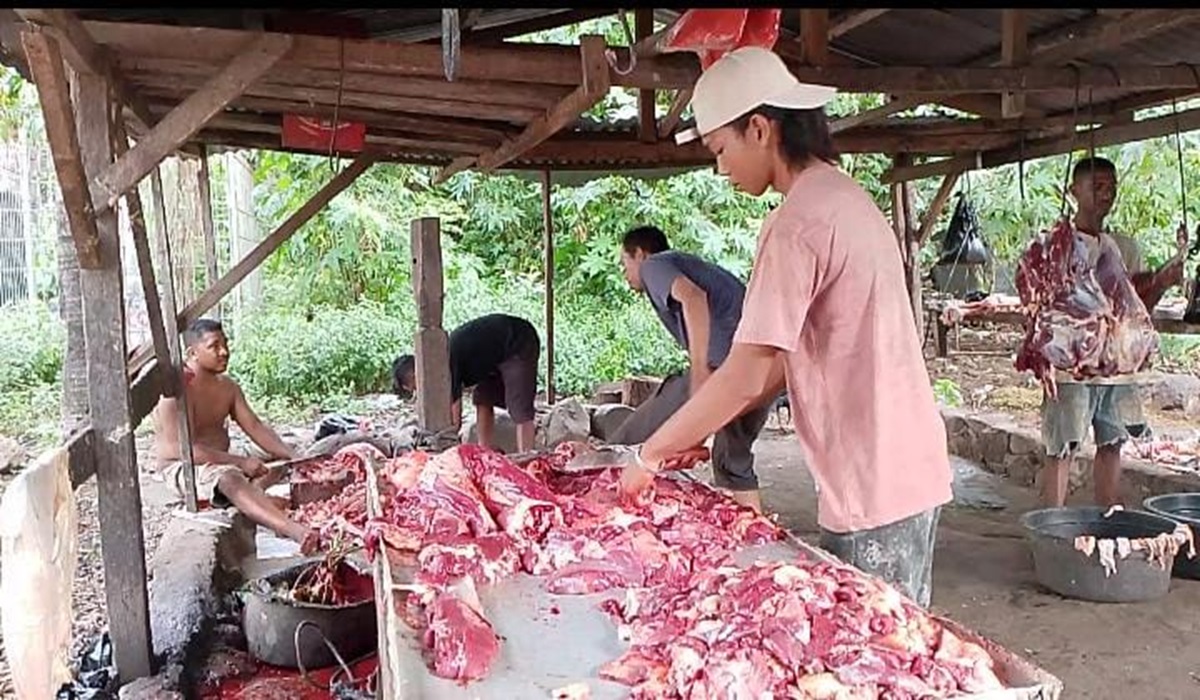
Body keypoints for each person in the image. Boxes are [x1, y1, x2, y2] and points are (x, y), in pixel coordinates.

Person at [614, 46, 953, 607]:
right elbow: (777, 363)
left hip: (874, 480)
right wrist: (696, 433)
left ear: (759, 129)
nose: (721, 168)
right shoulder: (845, 197)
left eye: (721, 149)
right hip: (904, 467)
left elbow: (748, 370)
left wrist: (648, 455)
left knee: (876, 661)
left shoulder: (796, 222)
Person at [1038, 156, 1189, 509]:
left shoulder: (1124, 247)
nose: (1107, 194)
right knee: (1062, 447)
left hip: (1116, 367)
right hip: (1071, 369)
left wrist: (1162, 280)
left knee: (1112, 443)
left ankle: (1108, 519)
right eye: (1098, 187)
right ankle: (1050, 529)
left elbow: (1137, 306)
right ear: (1074, 190)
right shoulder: (1055, 245)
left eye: (1112, 187)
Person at [612, 225, 771, 512]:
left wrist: (699, 372)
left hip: (720, 369)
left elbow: (693, 298)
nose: (626, 275)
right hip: (755, 369)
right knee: (733, 465)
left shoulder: (654, 266)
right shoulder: (693, 265)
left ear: (640, 253)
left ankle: (597, 526)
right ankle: (757, 537)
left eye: (625, 263)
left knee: (624, 446)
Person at [153, 319, 318, 554]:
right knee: (230, 479)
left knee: (281, 453)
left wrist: (294, 456)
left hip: (224, 457)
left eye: (226, 344)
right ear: (193, 353)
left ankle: (254, 496)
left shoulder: (228, 387)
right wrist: (240, 463)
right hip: (183, 466)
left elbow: (255, 426)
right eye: (214, 346)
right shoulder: (176, 393)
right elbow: (182, 450)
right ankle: (295, 531)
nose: (224, 352)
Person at [393, 313, 541, 453]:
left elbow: (455, 420)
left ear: (416, 373)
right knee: (482, 399)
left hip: (518, 342)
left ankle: (528, 458)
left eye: (415, 387)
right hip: (493, 357)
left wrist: (443, 443)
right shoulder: (441, 359)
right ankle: (485, 451)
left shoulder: (444, 363)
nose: (420, 391)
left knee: (520, 408)